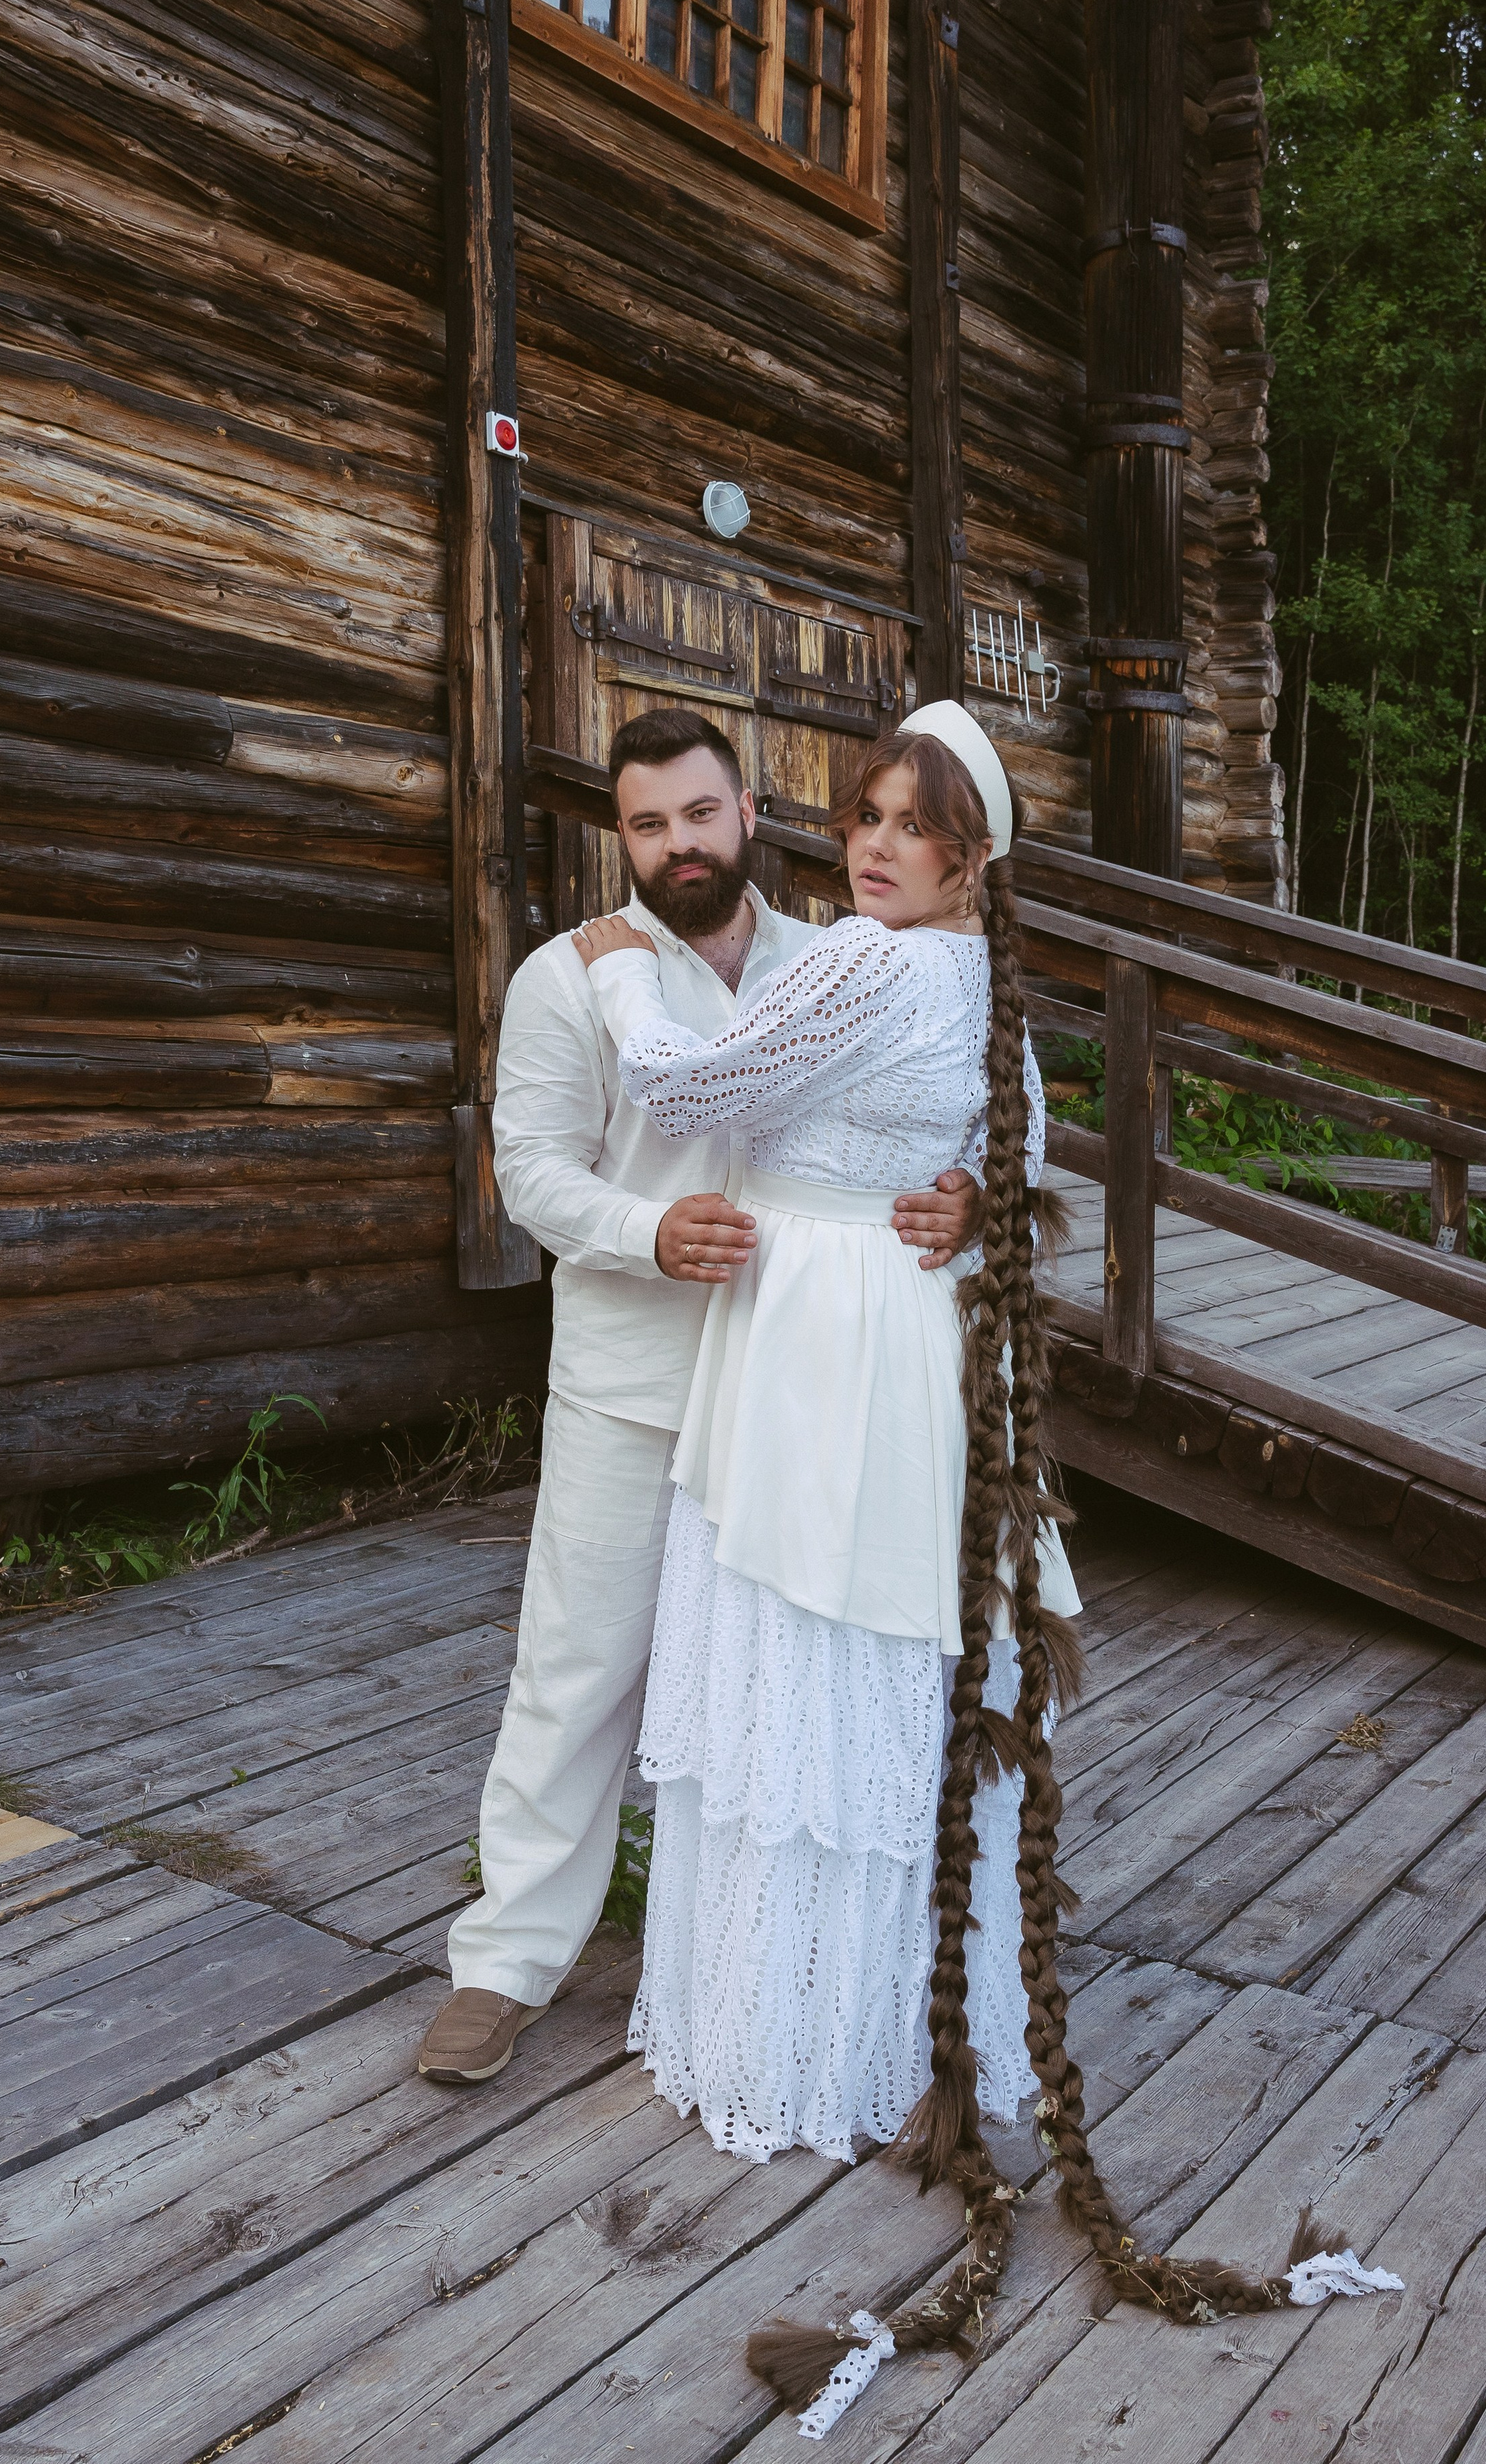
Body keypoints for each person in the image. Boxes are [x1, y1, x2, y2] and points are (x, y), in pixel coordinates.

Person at [415, 708, 984, 2086]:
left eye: (700, 813)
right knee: (579, 1672)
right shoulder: (571, 976)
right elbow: (530, 1171)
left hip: (795, 1389)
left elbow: (935, 1113)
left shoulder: (835, 953)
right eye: (648, 823)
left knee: (766, 1685)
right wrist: (647, 1233)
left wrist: (968, 1198)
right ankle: (504, 1965)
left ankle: (735, 1958)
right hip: (638, 1377)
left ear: (750, 814)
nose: (678, 842)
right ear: (624, 836)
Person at [572, 700, 1082, 2166]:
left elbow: (691, 1084)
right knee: (883, 1657)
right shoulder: (982, 980)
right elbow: (1020, 1138)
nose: (876, 847)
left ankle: (789, 2033)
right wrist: (972, 1198)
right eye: (868, 816)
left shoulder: (870, 960)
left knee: (795, 1643)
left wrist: (620, 973)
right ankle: (890, 2026)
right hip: (911, 1334)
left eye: (917, 829)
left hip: (818, 1335)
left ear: (970, 858)